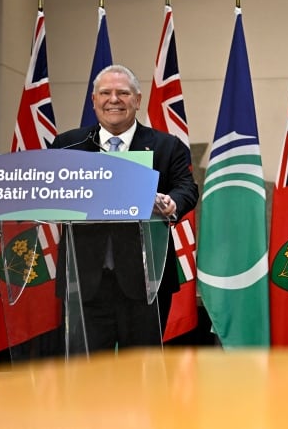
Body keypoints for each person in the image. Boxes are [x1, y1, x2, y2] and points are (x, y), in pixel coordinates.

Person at [51, 64, 199, 353]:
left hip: (146, 283)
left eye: (123, 93)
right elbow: (50, 191)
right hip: (84, 282)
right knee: (87, 376)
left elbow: (187, 188)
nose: (113, 99)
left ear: (138, 100)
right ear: (93, 101)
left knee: (143, 375)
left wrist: (172, 203)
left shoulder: (167, 146)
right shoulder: (68, 146)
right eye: (105, 93)